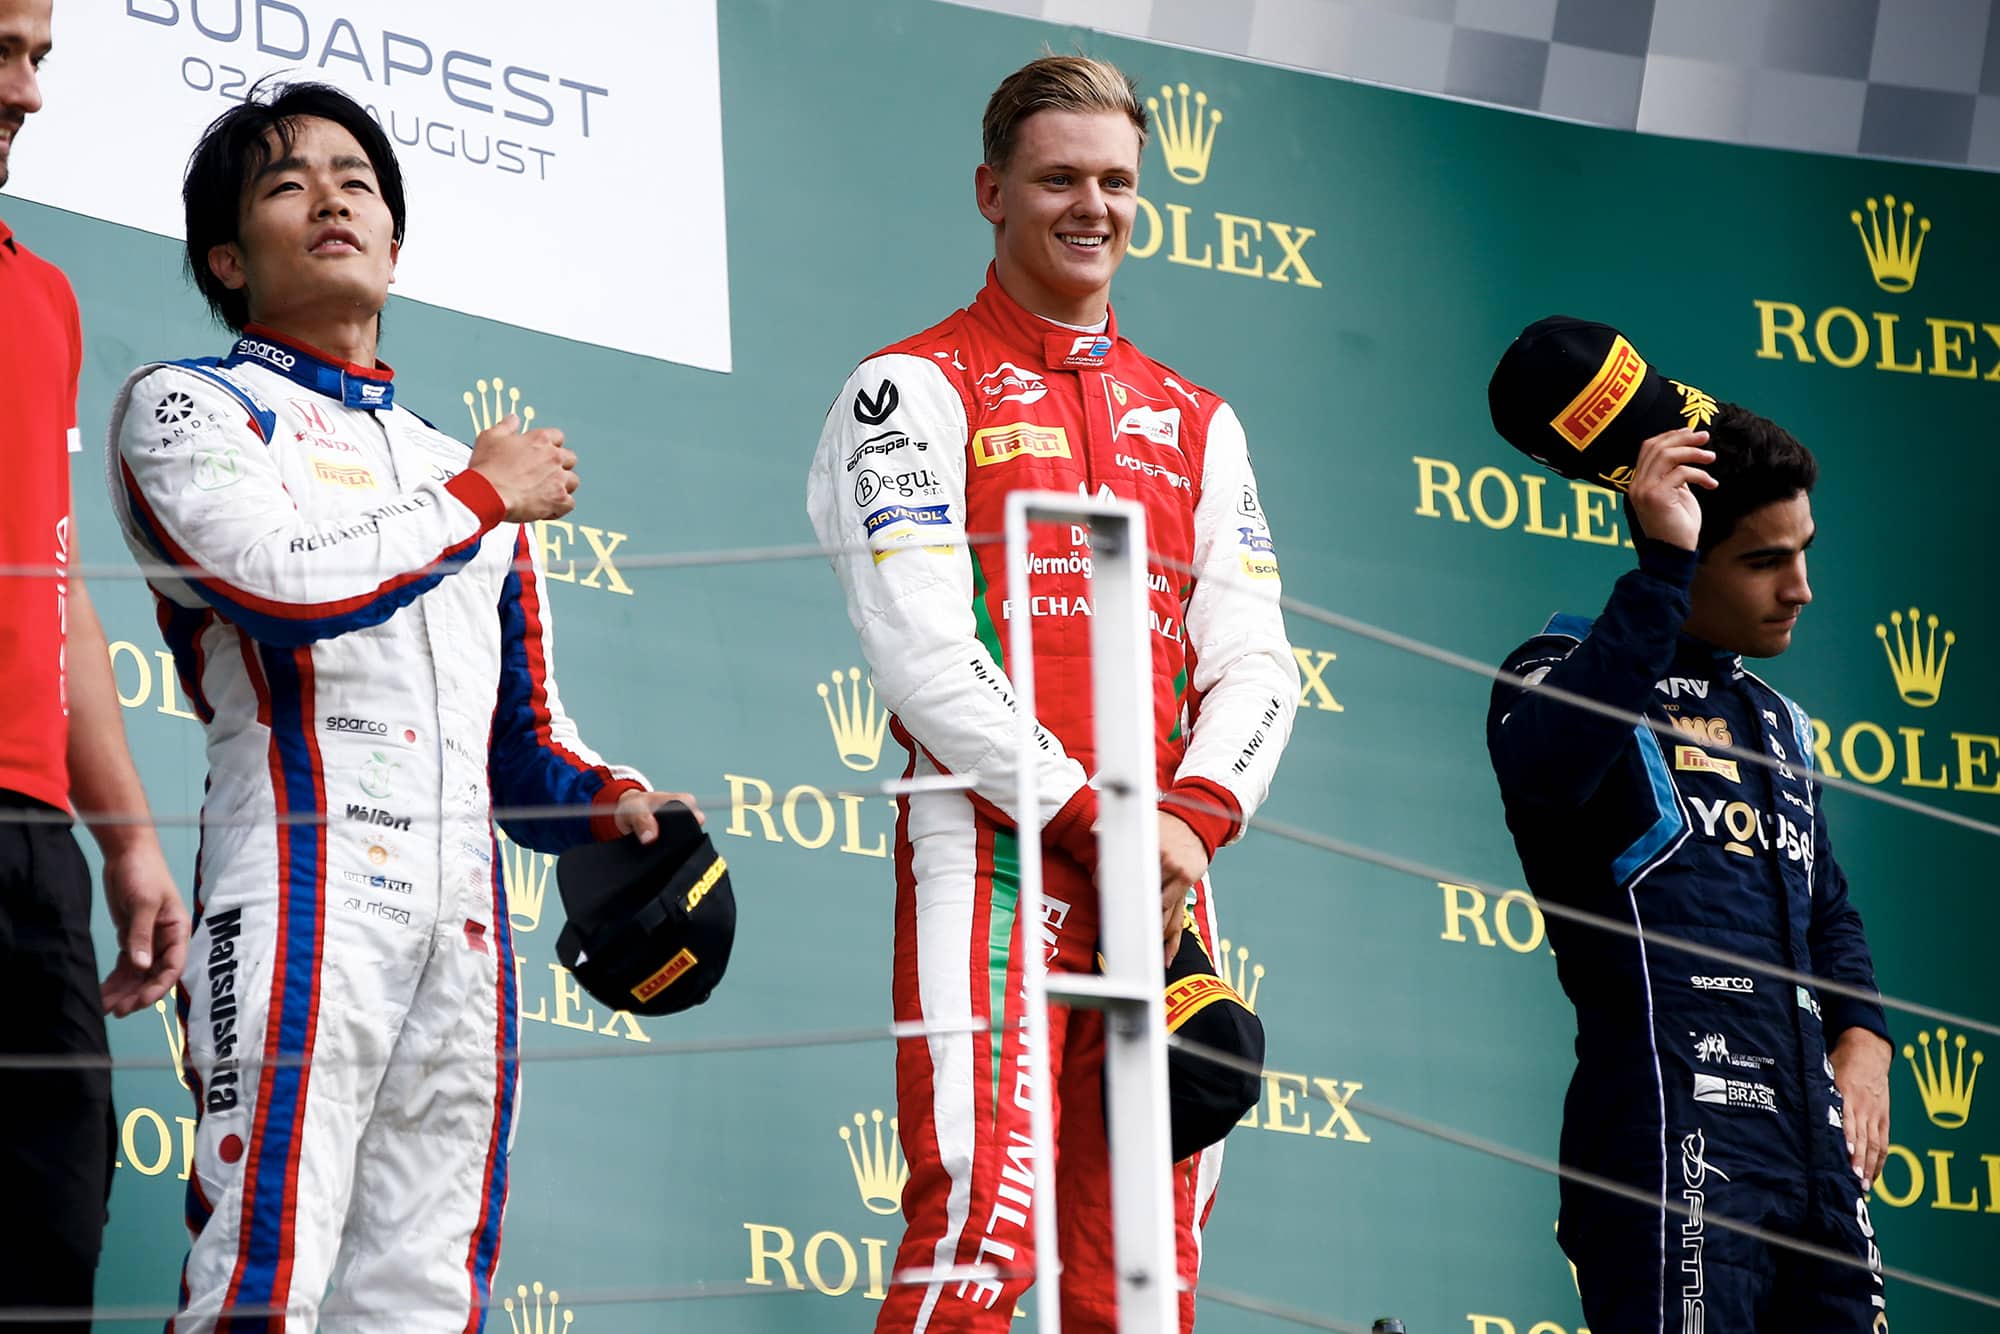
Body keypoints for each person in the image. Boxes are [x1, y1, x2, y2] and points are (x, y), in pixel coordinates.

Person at [105, 82, 690, 1331]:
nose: (331, 197)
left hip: (464, 933)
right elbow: (274, 588)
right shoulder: (191, 403)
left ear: (395, 242)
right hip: (297, 890)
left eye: (356, 179)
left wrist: (610, 805)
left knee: (426, 1303)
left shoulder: (450, 467)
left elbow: (518, 740)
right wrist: (480, 496)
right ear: (226, 256)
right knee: (258, 1282)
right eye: (285, 183)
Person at [806, 54, 1298, 1332]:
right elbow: (920, 650)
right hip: (995, 846)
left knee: (1143, 1261)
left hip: (1170, 872)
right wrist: (1100, 818)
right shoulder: (907, 386)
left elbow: (1255, 657)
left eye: (1117, 182)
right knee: (980, 1220)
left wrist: (1188, 818)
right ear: (990, 191)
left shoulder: (1198, 418)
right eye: (1059, 179)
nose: (1093, 206)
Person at [1486, 412, 1893, 1331]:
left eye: (1805, 552)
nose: (1801, 590)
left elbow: (1825, 904)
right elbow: (1545, 772)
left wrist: (1864, 1036)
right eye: (1763, 562)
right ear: (1686, 552)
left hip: (1814, 1155)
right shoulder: (1554, 669)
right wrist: (1657, 577)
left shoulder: (1779, 719)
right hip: (1671, 1127)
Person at [0, 0, 187, 1326]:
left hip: (33, 848)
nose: (29, 93)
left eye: (41, 57)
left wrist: (126, 840)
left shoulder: (43, 297)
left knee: (48, 1248)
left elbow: (54, 580)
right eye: (3, 52)